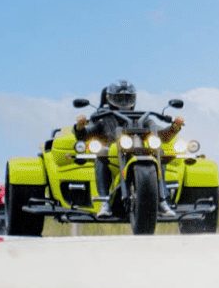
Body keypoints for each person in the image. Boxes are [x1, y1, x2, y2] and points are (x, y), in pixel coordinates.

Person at [74, 80, 184, 209]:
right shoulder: (102, 118)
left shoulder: (142, 118)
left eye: (128, 98)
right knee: (102, 154)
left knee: (159, 151)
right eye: (120, 98)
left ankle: (163, 199)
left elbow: (161, 134)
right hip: (113, 161)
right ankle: (105, 200)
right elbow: (84, 135)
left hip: (140, 155)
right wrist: (80, 126)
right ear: (110, 98)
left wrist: (174, 127)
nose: (124, 102)